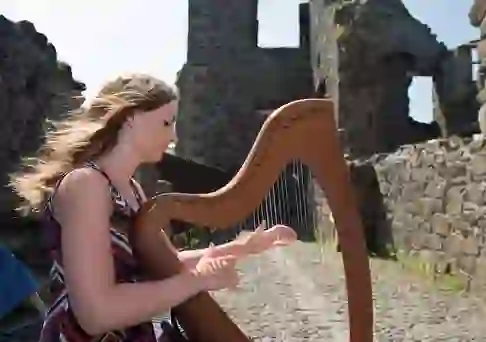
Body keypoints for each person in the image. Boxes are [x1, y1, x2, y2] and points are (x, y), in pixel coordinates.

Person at [9, 73, 297, 342]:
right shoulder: (86, 185)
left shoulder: (131, 190)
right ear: (131, 118)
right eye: (166, 122)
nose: (174, 137)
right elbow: (96, 315)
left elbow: (164, 262)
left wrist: (244, 247)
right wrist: (197, 281)